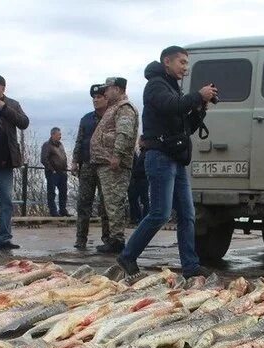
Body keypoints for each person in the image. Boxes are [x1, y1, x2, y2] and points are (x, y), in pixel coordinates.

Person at [117, 46, 217, 278]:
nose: (185, 67)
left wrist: (200, 109)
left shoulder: (173, 89)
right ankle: (127, 256)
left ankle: (190, 266)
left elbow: (184, 127)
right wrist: (197, 97)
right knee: (160, 213)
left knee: (187, 214)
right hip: (160, 157)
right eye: (181, 62)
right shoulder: (155, 86)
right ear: (167, 62)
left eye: (186, 63)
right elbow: (171, 106)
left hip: (175, 158)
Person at [90, 77, 139, 254]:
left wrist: (117, 156)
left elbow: (124, 133)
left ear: (117, 89)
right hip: (106, 162)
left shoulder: (124, 108)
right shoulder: (114, 108)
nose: (105, 92)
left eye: (108, 89)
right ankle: (112, 238)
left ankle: (117, 241)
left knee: (114, 203)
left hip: (114, 164)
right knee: (108, 203)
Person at [0, 73, 29, 251]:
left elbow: (24, 122)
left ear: (2, 88)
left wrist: (4, 108)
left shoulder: (13, 104)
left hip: (6, 161)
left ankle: (4, 239)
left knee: (6, 202)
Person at [72, 84, 110, 250]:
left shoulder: (112, 117)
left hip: (105, 166)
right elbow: (80, 141)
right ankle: (81, 239)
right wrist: (75, 161)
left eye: (99, 97)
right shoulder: (86, 119)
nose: (95, 100)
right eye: (94, 98)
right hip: (87, 165)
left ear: (106, 98)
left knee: (106, 204)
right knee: (83, 203)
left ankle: (108, 239)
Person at [41, 127, 69, 217]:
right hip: (53, 172)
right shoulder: (47, 145)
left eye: (60, 135)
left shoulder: (60, 145)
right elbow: (44, 159)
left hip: (62, 172)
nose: (60, 136)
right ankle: (53, 211)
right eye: (58, 135)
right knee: (52, 192)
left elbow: (63, 157)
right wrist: (52, 169)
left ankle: (63, 210)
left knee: (63, 192)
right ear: (53, 135)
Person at [128, 147, 149, 224]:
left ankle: (144, 218)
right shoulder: (141, 153)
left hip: (142, 179)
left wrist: (135, 173)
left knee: (144, 200)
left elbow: (142, 167)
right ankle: (136, 217)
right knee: (133, 198)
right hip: (137, 179)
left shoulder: (145, 153)